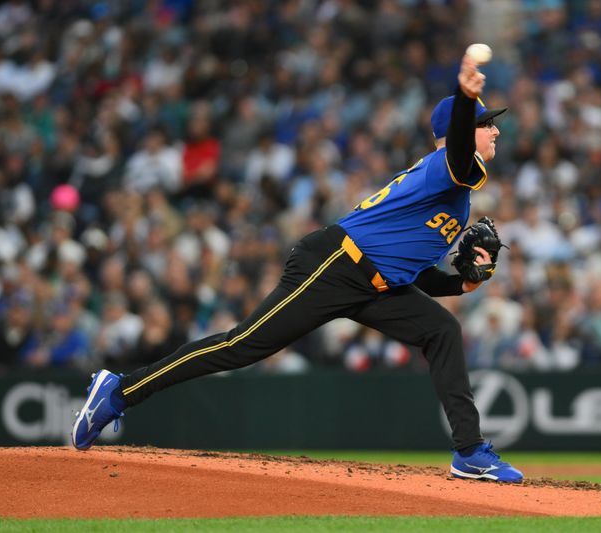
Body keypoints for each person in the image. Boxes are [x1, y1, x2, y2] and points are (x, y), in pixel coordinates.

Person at [70, 54, 523, 483]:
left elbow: (416, 270)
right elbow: (460, 151)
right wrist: (465, 100)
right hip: (334, 263)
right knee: (242, 345)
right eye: (487, 124)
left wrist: (461, 283)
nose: (495, 131)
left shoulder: (455, 196)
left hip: (375, 282)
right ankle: (119, 391)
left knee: (441, 330)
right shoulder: (449, 167)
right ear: (461, 130)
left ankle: (468, 452)